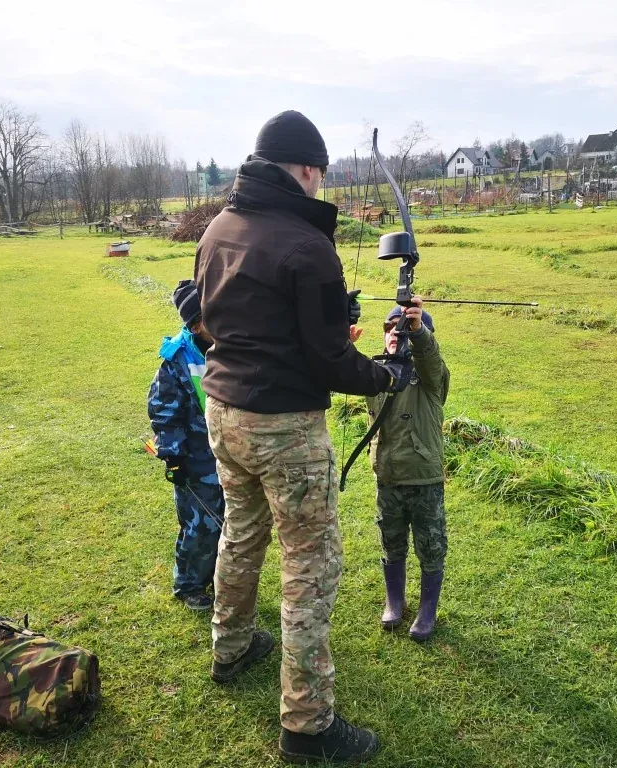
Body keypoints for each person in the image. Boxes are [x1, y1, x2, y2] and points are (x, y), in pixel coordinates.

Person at [195, 110, 408, 764]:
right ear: (309, 170)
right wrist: (386, 375)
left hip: (224, 412)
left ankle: (230, 646)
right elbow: (325, 360)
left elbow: (210, 321)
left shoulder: (218, 228)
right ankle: (307, 723)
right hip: (283, 427)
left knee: (242, 528)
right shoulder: (306, 244)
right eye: (322, 173)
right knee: (310, 563)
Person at [366, 298, 450, 641]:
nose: (393, 335)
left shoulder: (431, 378)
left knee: (430, 544)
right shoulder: (375, 372)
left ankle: (427, 610)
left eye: (401, 329)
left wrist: (419, 333)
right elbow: (339, 372)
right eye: (389, 329)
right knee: (391, 539)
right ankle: (395, 602)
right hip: (388, 476)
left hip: (424, 477)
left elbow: (429, 359)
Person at [147, 279, 224, 612]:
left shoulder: (233, 344)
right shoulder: (177, 359)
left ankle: (221, 580)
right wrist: (174, 458)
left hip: (231, 454)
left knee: (228, 524)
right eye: (211, 315)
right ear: (195, 323)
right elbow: (164, 413)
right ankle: (189, 584)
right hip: (195, 458)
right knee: (199, 525)